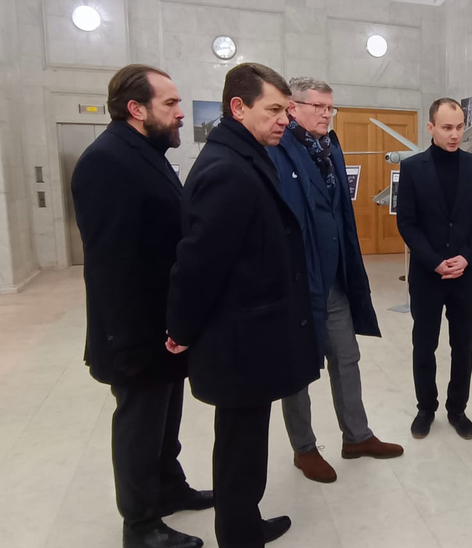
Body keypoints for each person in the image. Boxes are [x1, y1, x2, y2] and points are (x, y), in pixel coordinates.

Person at [165, 63, 319, 548]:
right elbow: (199, 263)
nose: (284, 120)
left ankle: (244, 524)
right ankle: (238, 535)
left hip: (250, 334)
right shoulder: (229, 170)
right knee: (239, 447)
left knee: (246, 442)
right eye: (273, 110)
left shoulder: (243, 156)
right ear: (238, 107)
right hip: (239, 340)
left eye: (286, 111)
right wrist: (180, 329)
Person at [71, 64, 212, 548]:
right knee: (139, 427)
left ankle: (170, 487)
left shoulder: (145, 154)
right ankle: (141, 526)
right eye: (170, 104)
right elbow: (110, 263)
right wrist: (126, 340)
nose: (180, 113)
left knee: (165, 420)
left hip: (164, 324)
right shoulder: (107, 161)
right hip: (135, 331)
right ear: (136, 109)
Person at [266, 77, 403, 483]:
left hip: (335, 276)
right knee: (298, 368)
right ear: (293, 108)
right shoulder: (277, 149)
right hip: (299, 281)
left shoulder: (330, 145)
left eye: (331, 107)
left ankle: (357, 437)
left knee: (346, 357)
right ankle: (304, 448)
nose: (327, 114)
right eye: (319, 107)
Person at [396, 98, 472, 440]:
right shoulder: (412, 168)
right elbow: (407, 223)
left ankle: (457, 409)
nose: (455, 134)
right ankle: (426, 408)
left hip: (466, 275)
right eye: (447, 127)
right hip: (427, 275)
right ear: (431, 127)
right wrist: (434, 261)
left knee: (463, 346)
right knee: (424, 345)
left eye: (459, 127)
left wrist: (466, 257)